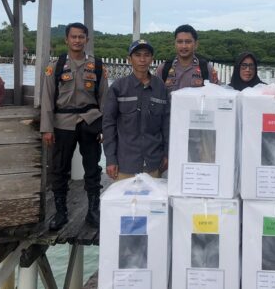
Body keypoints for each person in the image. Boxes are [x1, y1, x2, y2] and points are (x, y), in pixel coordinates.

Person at [40, 22, 109, 230]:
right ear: (66, 40)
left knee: (92, 168)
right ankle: (61, 213)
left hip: (90, 122)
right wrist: (47, 128)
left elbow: (104, 99)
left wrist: (104, 128)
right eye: (73, 37)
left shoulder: (97, 66)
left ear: (87, 40)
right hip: (63, 123)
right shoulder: (57, 66)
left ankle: (93, 211)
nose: (77, 40)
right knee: (60, 169)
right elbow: (47, 98)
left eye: (81, 37)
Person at [102, 39, 170, 180]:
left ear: (152, 59)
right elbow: (108, 125)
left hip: (154, 163)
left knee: (153, 202)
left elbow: (166, 124)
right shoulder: (118, 87)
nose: (142, 59)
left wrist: (167, 154)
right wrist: (110, 158)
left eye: (146, 55)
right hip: (124, 164)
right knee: (124, 202)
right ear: (129, 59)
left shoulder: (161, 87)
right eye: (138, 55)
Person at [155, 24, 218, 92]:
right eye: (180, 42)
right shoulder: (163, 69)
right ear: (175, 44)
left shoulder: (207, 69)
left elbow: (216, 95)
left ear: (196, 44)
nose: (184, 46)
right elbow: (156, 96)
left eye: (188, 42)